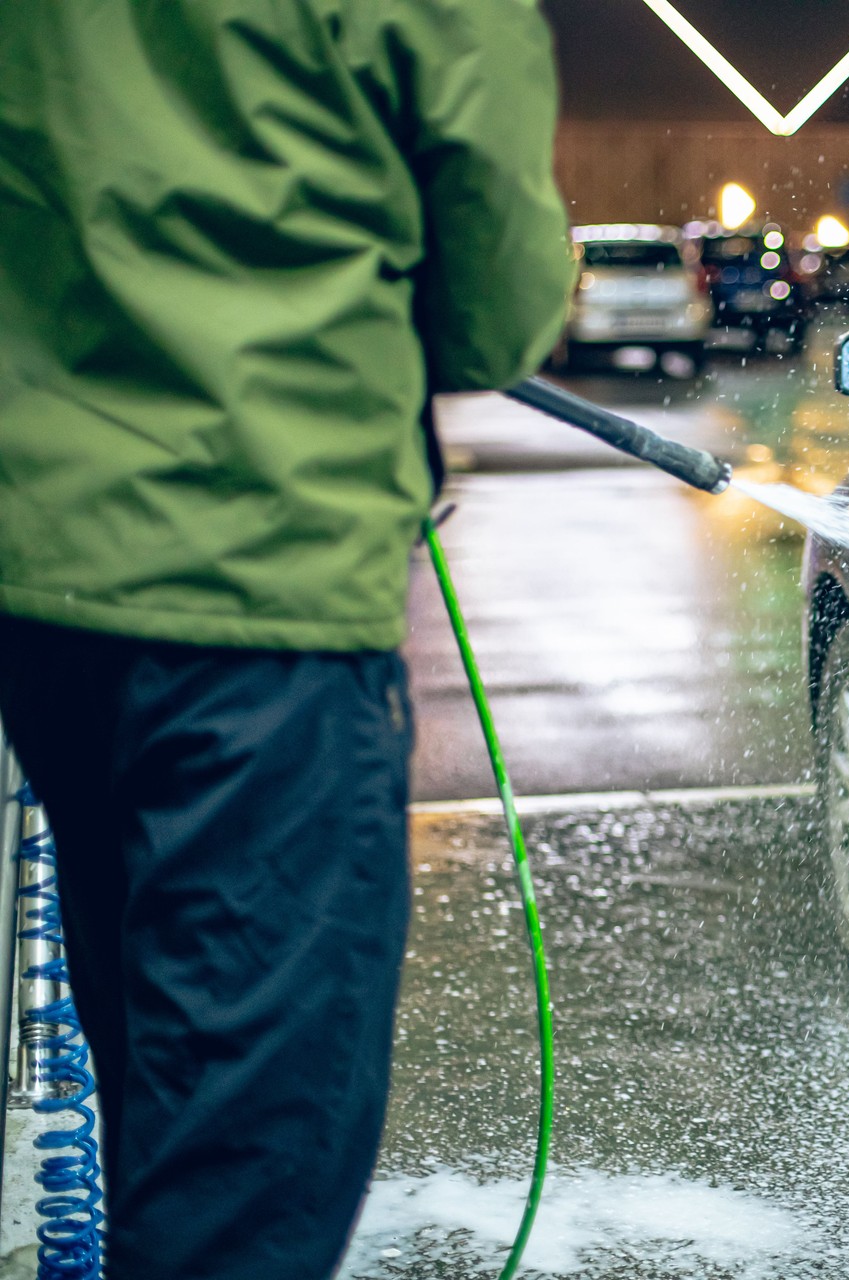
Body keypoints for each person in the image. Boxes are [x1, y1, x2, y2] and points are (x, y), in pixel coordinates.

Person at [0, 0, 575, 1273]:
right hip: (265, 595)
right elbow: (497, 299)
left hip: (45, 592)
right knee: (247, 1168)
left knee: (160, 1071)